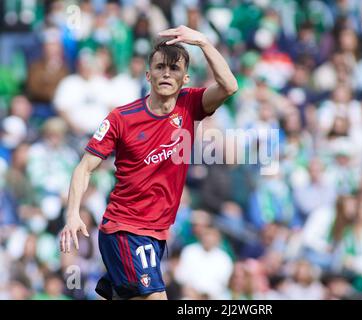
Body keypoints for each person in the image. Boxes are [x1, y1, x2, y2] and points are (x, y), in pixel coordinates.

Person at [59, 25, 238, 300]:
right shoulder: (121, 118)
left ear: (185, 78)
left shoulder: (190, 105)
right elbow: (84, 167)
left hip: (156, 233)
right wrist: (72, 213)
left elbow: (229, 85)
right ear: (148, 75)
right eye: (159, 68)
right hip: (125, 229)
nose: (166, 73)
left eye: (174, 68)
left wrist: (202, 42)